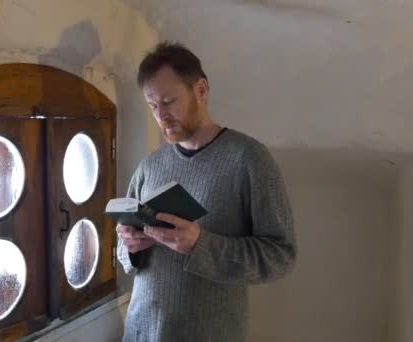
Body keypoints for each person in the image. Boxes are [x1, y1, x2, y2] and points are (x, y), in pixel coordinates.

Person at [116, 41, 297, 342]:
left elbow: (281, 256)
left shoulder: (249, 159)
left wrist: (201, 244)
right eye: (152, 105)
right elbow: (123, 253)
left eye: (169, 101)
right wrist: (129, 247)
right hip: (141, 331)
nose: (161, 115)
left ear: (200, 90)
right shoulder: (149, 166)